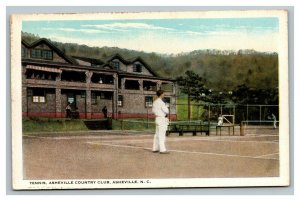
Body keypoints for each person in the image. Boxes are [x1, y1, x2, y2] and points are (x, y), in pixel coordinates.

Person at [152, 90, 170, 154]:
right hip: (162, 119)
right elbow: (167, 111)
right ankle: (162, 149)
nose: (164, 95)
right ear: (161, 94)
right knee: (162, 135)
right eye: (163, 94)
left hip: (157, 118)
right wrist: (166, 106)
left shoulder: (154, 102)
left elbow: (153, 111)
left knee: (157, 134)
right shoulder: (161, 102)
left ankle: (155, 148)